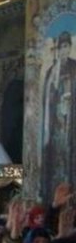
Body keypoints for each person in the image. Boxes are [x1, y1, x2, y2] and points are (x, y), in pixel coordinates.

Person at [43, 31, 76, 196]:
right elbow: (48, 96)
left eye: (66, 46)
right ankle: (55, 191)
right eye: (61, 47)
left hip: (72, 122)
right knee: (58, 155)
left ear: (70, 47)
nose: (64, 50)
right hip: (57, 122)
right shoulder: (52, 71)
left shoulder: (74, 67)